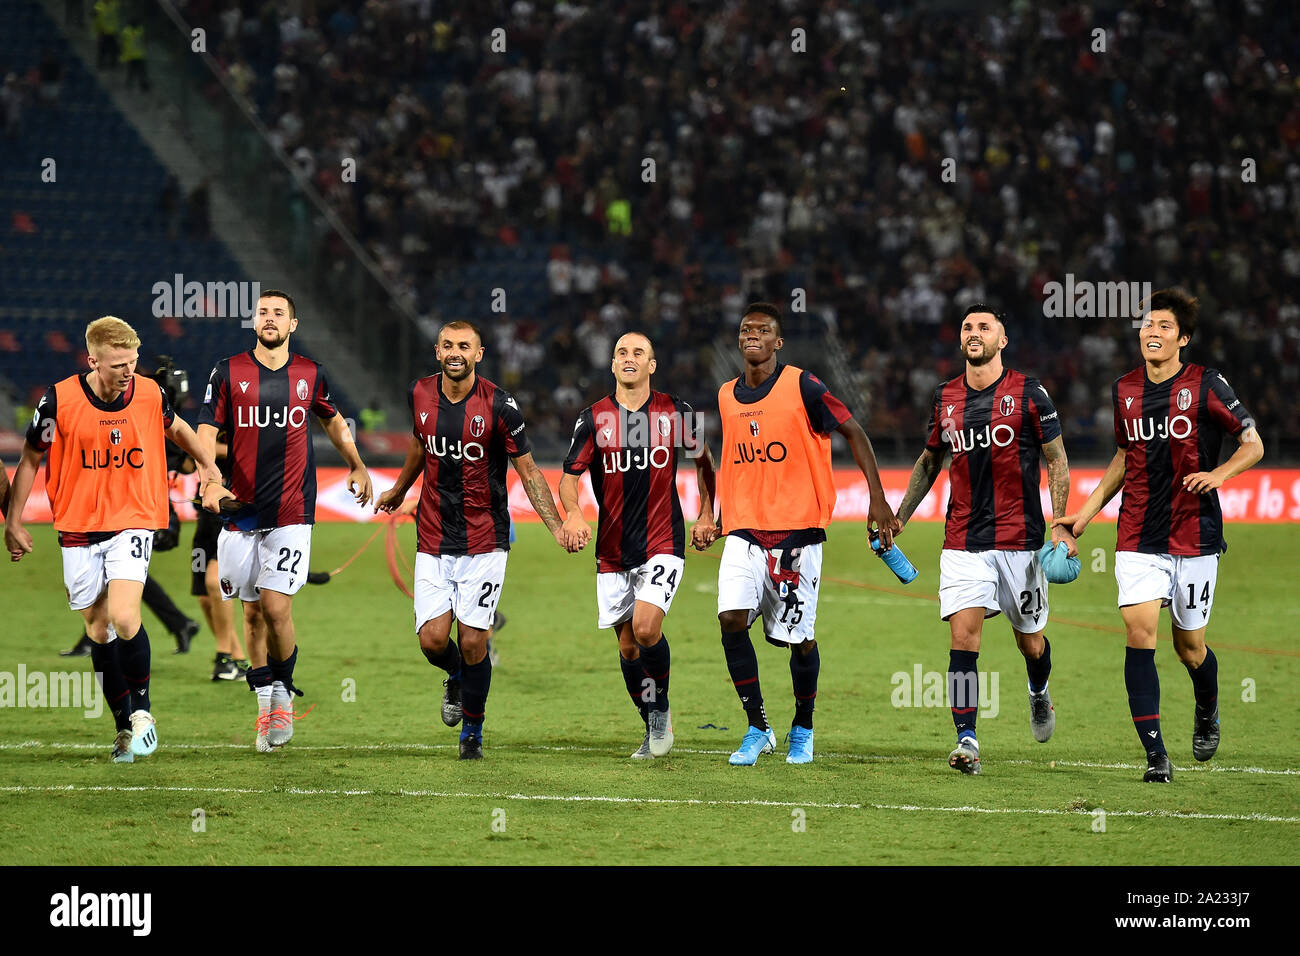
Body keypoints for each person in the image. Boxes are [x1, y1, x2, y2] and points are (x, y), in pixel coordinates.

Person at [1057, 289, 1263, 783]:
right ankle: (1156, 756)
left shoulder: (1208, 385)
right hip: (1137, 535)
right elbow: (1125, 458)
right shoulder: (1124, 390)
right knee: (1139, 634)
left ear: (1183, 338)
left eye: (1165, 326)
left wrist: (1219, 476)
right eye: (1148, 324)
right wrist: (1081, 517)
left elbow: (1252, 444)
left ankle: (1207, 705)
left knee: (1190, 648)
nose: (1152, 332)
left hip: (1195, 535)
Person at [4, 316, 226, 761]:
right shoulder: (59, 399)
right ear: (93, 361)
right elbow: (30, 457)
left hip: (133, 519)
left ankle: (143, 714)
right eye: (119, 364)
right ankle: (123, 724)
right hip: (77, 526)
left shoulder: (149, 393)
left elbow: (178, 428)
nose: (128, 371)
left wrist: (208, 468)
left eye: (134, 361)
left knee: (125, 617)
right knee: (98, 629)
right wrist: (13, 521)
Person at [699, 303, 899, 765]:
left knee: (799, 640)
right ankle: (757, 728)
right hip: (745, 531)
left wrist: (877, 497)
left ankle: (803, 726)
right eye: (747, 329)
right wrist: (712, 515)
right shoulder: (726, 395)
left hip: (799, 534)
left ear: (777, 342)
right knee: (731, 619)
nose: (753, 335)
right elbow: (730, 461)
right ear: (739, 339)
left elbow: (854, 432)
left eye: (763, 330)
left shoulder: (803, 385)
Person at [375, 321, 576, 760]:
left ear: (478, 353)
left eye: (464, 346)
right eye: (447, 345)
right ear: (437, 350)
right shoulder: (420, 393)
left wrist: (557, 525)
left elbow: (529, 472)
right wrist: (399, 489)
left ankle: (473, 732)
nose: (455, 352)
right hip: (432, 535)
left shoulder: (501, 406)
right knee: (432, 640)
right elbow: (418, 445)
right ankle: (456, 677)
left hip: (485, 540)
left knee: (472, 640)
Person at [895, 304, 1075, 775]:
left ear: (1002, 340)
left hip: (1020, 540)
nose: (974, 333)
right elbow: (929, 461)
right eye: (967, 327)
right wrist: (898, 518)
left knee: (1030, 644)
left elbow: (1056, 459)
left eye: (984, 327)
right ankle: (967, 739)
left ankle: (1038, 692)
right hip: (963, 539)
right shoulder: (945, 398)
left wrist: (1059, 523)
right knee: (963, 637)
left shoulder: (1030, 393)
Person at [198, 290, 373, 752]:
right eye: (263, 312)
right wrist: (210, 480)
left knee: (276, 608)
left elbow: (332, 420)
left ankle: (282, 692)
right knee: (251, 613)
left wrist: (355, 462)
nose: (269, 319)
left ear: (293, 325)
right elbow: (205, 431)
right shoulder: (227, 371)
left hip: (293, 508)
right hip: (240, 510)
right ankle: (265, 706)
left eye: (279, 313)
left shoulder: (310, 374)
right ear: (254, 321)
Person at [559, 332, 718, 758]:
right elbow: (569, 480)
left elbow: (705, 462)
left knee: (647, 629)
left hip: (663, 538)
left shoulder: (677, 411)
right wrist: (572, 513)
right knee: (628, 646)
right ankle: (650, 722)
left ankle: (660, 713)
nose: (629, 359)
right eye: (622, 353)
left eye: (639, 353)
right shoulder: (591, 418)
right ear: (612, 365)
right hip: (612, 548)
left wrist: (706, 513)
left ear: (652, 365)